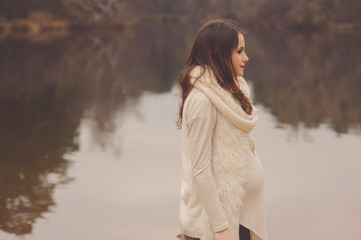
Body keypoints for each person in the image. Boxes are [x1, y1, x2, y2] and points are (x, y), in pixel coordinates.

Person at [176, 19, 268, 240]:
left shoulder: (234, 91)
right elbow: (201, 170)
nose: (246, 58)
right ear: (218, 54)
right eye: (239, 51)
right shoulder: (202, 101)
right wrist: (220, 228)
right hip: (216, 228)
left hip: (242, 216)